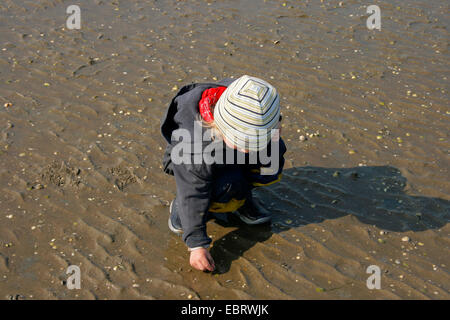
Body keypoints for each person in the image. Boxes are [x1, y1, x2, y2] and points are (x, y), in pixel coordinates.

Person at [160, 75, 286, 271]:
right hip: (190, 165)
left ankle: (242, 198)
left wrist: (268, 140)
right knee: (224, 184)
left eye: (253, 144)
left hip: (225, 146)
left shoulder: (248, 100)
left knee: (273, 159)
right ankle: (182, 211)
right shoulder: (194, 149)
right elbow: (193, 192)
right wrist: (196, 244)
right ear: (219, 124)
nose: (246, 150)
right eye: (242, 143)